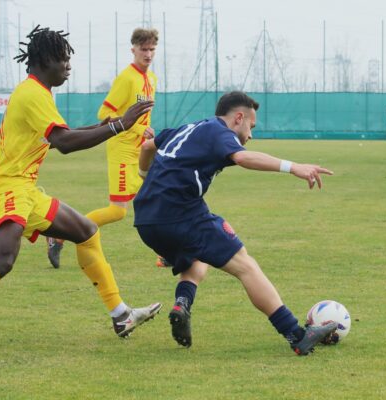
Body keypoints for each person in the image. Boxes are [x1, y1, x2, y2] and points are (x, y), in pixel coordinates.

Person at [0, 26, 160, 358]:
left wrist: (117, 122)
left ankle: (121, 315)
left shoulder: (39, 92)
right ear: (47, 60)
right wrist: (118, 125)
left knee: (86, 232)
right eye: (64, 59)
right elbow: (64, 143)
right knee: (1, 259)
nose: (69, 66)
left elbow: (66, 133)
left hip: (21, 186)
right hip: (2, 185)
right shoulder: (32, 94)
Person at [133, 91, 337, 355]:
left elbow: (148, 147)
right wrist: (293, 166)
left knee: (198, 257)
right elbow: (243, 158)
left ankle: (182, 303)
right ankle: (297, 335)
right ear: (238, 117)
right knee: (245, 264)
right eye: (250, 126)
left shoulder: (189, 128)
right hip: (179, 213)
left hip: (146, 219)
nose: (250, 135)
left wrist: (143, 174)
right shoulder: (220, 132)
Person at [46, 28, 159, 269]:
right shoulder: (127, 78)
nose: (148, 54)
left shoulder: (151, 79)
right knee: (118, 212)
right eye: (143, 49)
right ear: (134, 50)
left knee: (154, 199)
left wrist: (145, 131)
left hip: (139, 151)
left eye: (151, 49)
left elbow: (142, 116)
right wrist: (138, 130)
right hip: (121, 150)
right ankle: (59, 235)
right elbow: (105, 113)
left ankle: (167, 252)